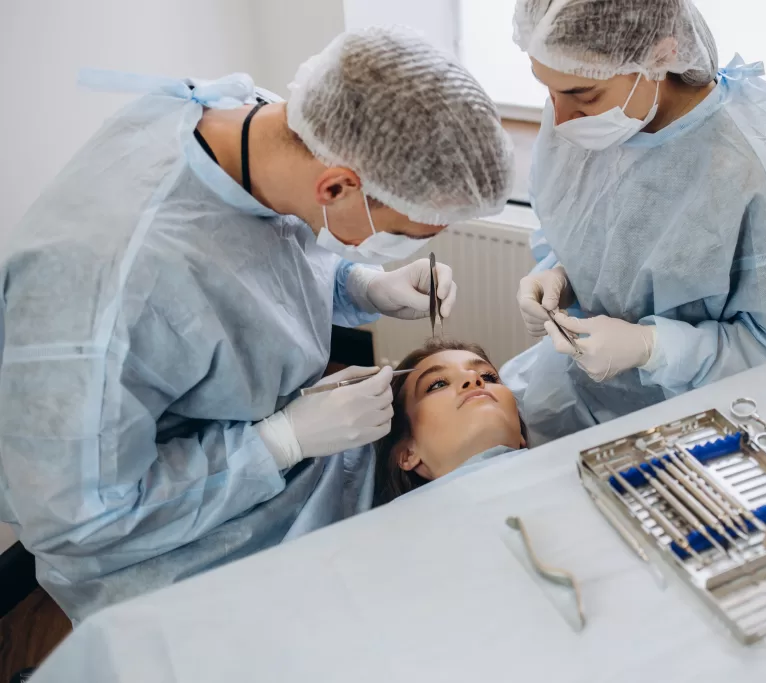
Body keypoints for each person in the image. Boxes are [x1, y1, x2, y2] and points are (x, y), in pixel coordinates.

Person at [0, 27, 513, 622]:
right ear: (339, 185)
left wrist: (361, 285)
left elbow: (259, 271)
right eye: (410, 232)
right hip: (161, 553)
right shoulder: (105, 286)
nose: (475, 385)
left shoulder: (269, 128)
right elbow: (81, 519)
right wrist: (277, 444)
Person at [502, 0, 766, 443]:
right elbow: (598, 233)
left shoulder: (760, 178)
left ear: (659, 57)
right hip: (573, 392)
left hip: (695, 423)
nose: (559, 118)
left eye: (582, 95)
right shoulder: (584, 115)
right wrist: (560, 273)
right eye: (547, 90)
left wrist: (652, 349)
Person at [373, 339, 528, 506]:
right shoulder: (399, 529)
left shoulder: (559, 470)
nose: (473, 377)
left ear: (520, 432)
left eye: (488, 377)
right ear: (407, 454)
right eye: (438, 384)